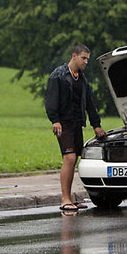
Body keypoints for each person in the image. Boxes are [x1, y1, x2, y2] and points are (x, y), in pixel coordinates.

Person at [45, 44, 106, 211]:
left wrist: (96, 125)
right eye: (83, 58)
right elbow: (50, 100)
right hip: (63, 124)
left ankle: (70, 198)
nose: (86, 61)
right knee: (69, 158)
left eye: (87, 58)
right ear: (74, 56)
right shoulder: (58, 75)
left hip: (77, 123)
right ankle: (64, 198)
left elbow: (89, 104)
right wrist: (55, 120)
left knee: (75, 160)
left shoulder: (82, 77)